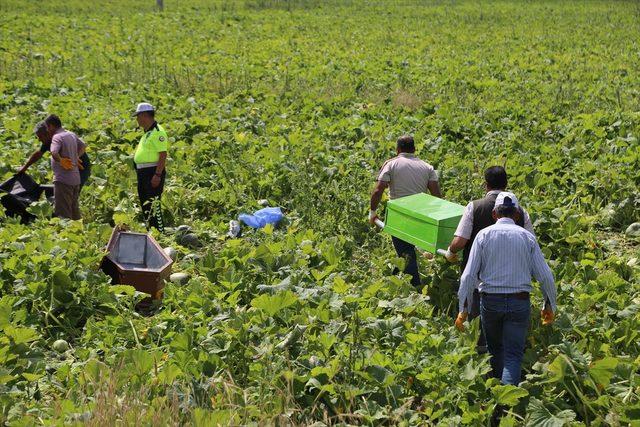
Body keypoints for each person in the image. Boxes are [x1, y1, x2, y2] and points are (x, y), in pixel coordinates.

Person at [456, 192, 556, 387]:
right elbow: (545, 276)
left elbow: (468, 276)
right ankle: (506, 402)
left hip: (490, 302)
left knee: (495, 350)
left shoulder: (483, 236)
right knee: (513, 355)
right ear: (517, 215)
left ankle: (498, 399)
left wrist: (463, 309)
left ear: (494, 214)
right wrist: (549, 303)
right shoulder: (527, 237)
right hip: (519, 302)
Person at [443, 166, 535, 351]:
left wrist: (450, 252)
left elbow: (460, 241)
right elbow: (531, 243)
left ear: (486, 185)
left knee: (480, 325)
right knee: (508, 336)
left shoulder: (475, 206)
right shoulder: (519, 211)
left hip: (480, 278)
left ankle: (485, 358)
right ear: (506, 184)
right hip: (513, 280)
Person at [369, 135, 442, 287]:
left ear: (398, 150)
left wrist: (372, 213)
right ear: (415, 149)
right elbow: (437, 196)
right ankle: (395, 279)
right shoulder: (427, 167)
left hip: (399, 215)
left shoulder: (391, 164)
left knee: (406, 253)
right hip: (420, 215)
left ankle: (414, 287)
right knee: (405, 250)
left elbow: (378, 191)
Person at [18, 121, 91, 189]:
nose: (39, 139)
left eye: (40, 136)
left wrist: (75, 157)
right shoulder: (48, 141)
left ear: (47, 133)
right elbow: (38, 154)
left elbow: (83, 146)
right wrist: (25, 167)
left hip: (81, 168)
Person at [132, 102, 168, 232]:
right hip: (143, 173)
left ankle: (159, 232)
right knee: (145, 203)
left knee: (153, 204)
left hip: (152, 172)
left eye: (138, 116)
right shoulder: (147, 133)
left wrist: (157, 175)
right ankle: (151, 231)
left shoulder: (157, 132)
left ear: (146, 115)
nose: (137, 119)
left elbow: (163, 154)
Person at [44, 114, 86, 220]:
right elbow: (83, 145)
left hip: (63, 180)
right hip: (75, 179)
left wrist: (61, 160)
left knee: (63, 212)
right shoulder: (70, 134)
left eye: (47, 127)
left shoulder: (57, 137)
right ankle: (78, 232)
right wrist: (76, 156)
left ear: (51, 126)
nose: (47, 130)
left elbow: (54, 152)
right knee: (74, 209)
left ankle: (65, 234)